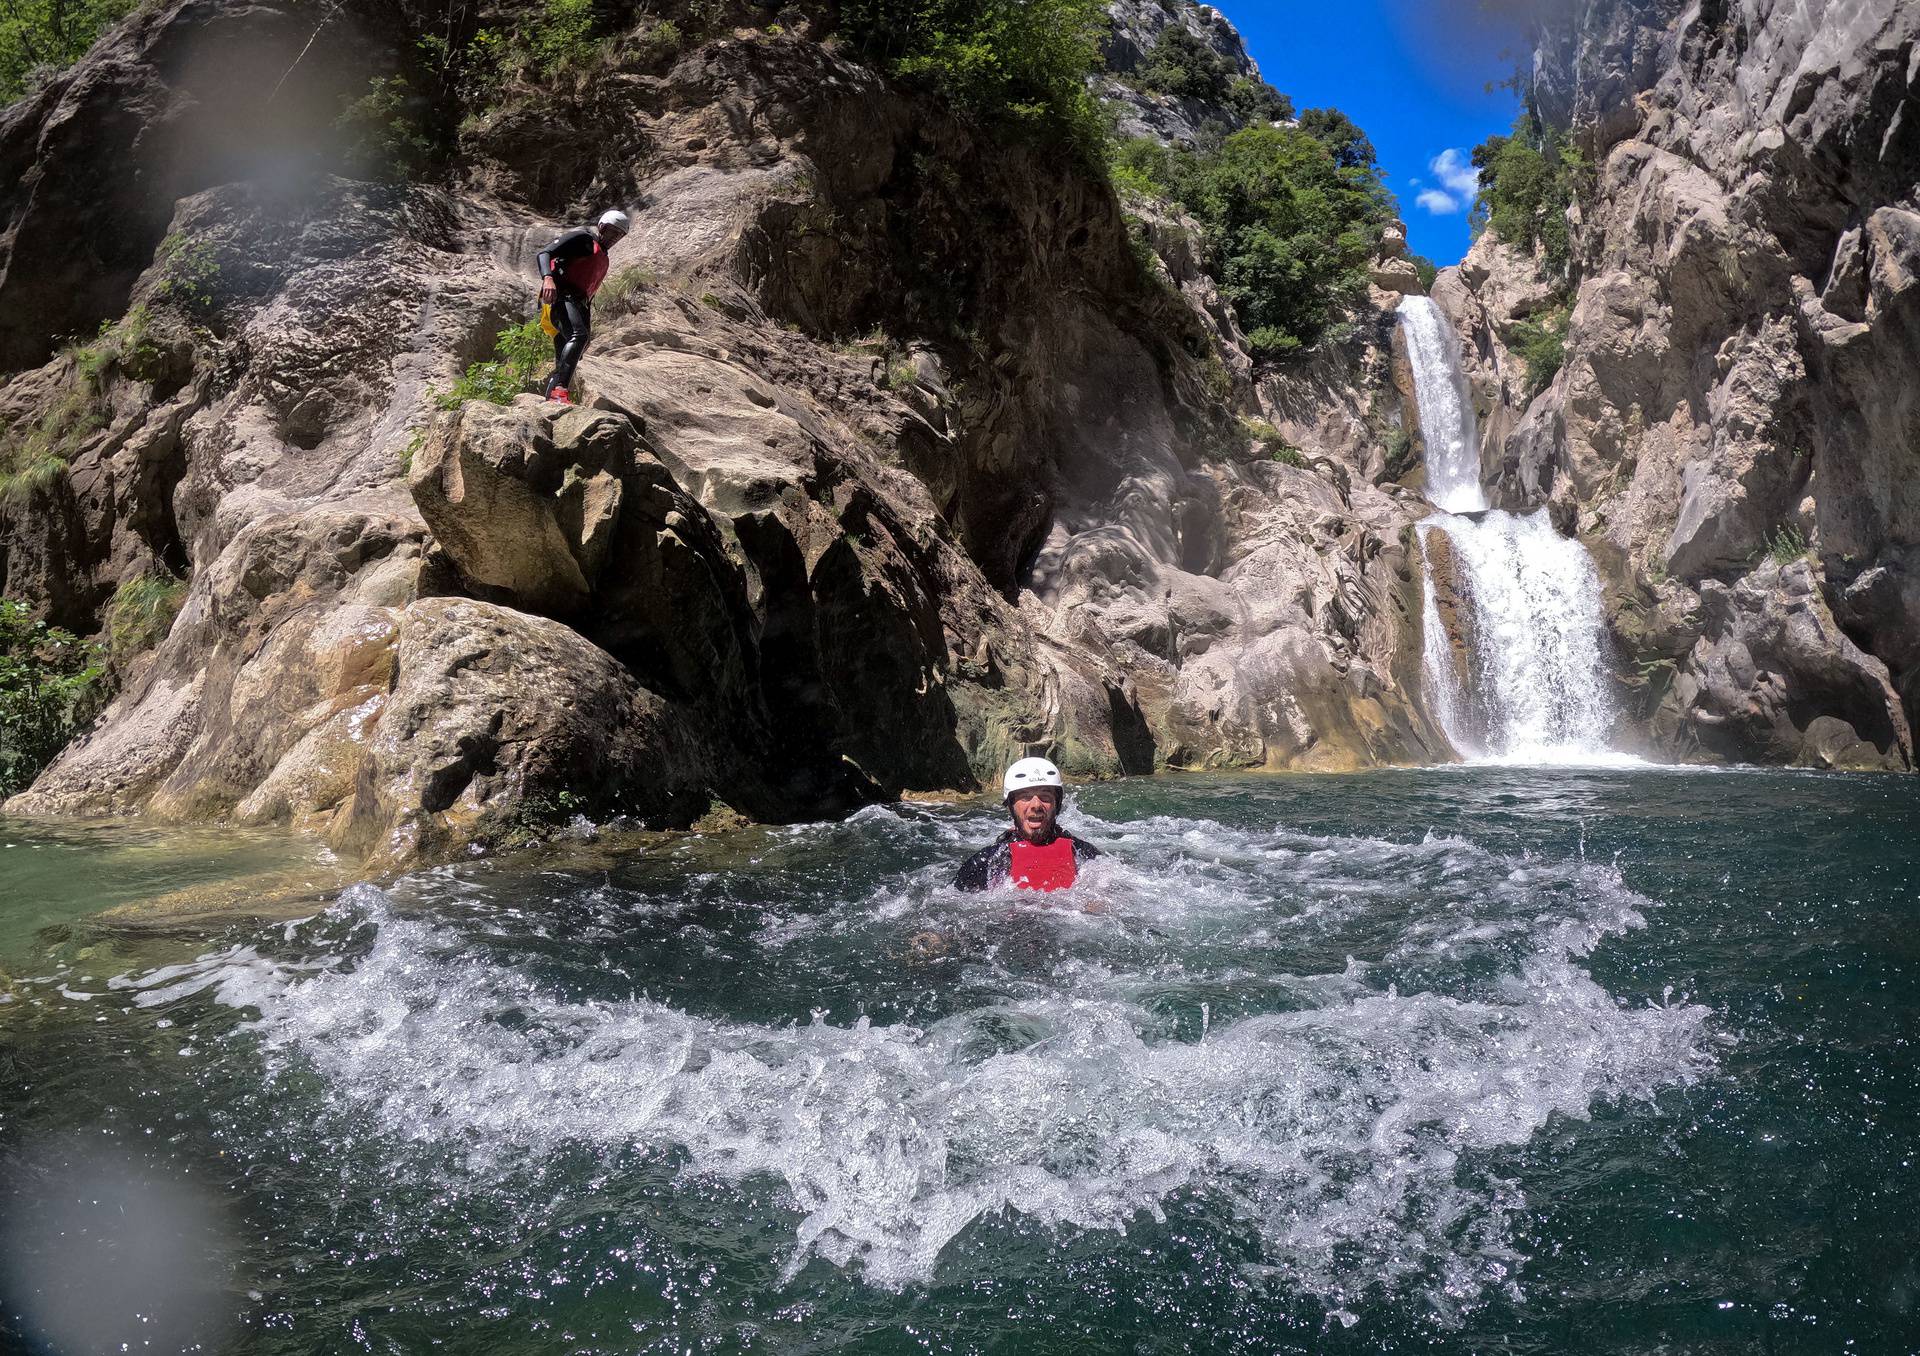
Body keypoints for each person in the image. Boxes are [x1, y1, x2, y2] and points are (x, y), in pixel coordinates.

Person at [954, 757, 1101, 893]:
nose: (1036, 805)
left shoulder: (1084, 855)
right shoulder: (988, 861)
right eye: (1025, 797)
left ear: (1057, 804)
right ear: (1010, 806)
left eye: (1045, 797)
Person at [535, 208, 630, 403]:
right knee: (578, 336)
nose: (615, 237)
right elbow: (544, 253)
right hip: (560, 296)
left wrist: (586, 332)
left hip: (578, 302)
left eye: (619, 235)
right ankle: (560, 391)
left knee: (569, 352)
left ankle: (552, 401)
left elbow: (588, 293)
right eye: (612, 231)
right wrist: (547, 279)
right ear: (602, 227)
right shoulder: (584, 239)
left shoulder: (603, 257)